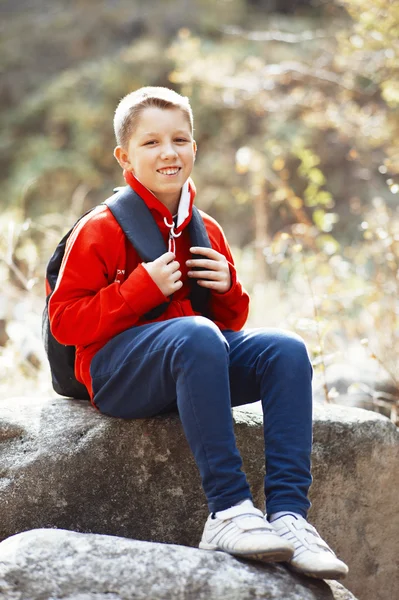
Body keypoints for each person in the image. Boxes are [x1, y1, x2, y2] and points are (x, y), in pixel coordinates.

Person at [49, 86, 348, 580]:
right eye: (151, 143)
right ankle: (228, 511)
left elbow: (228, 327)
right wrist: (138, 291)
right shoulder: (100, 228)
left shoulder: (203, 227)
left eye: (179, 139)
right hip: (117, 376)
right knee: (195, 334)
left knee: (286, 351)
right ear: (125, 156)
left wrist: (230, 287)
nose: (168, 152)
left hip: (190, 360)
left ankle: (291, 517)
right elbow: (65, 322)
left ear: (195, 147)